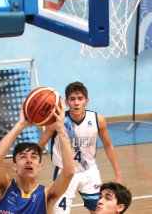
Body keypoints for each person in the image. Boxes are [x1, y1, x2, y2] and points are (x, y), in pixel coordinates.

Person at [38, 81, 122, 214]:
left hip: (89, 172)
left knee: (99, 212)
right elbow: (40, 145)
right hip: (64, 173)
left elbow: (108, 145)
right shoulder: (56, 121)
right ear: (66, 102)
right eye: (72, 99)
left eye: (80, 99)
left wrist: (118, 173)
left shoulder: (97, 120)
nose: (76, 103)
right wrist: (35, 165)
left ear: (86, 101)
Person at [0, 101, 74, 214]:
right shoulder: (4, 188)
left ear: (39, 167)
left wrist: (60, 130)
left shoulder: (46, 195)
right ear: (14, 166)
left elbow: (69, 173)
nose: (29, 160)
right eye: (23, 157)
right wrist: (20, 125)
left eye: (34, 157)